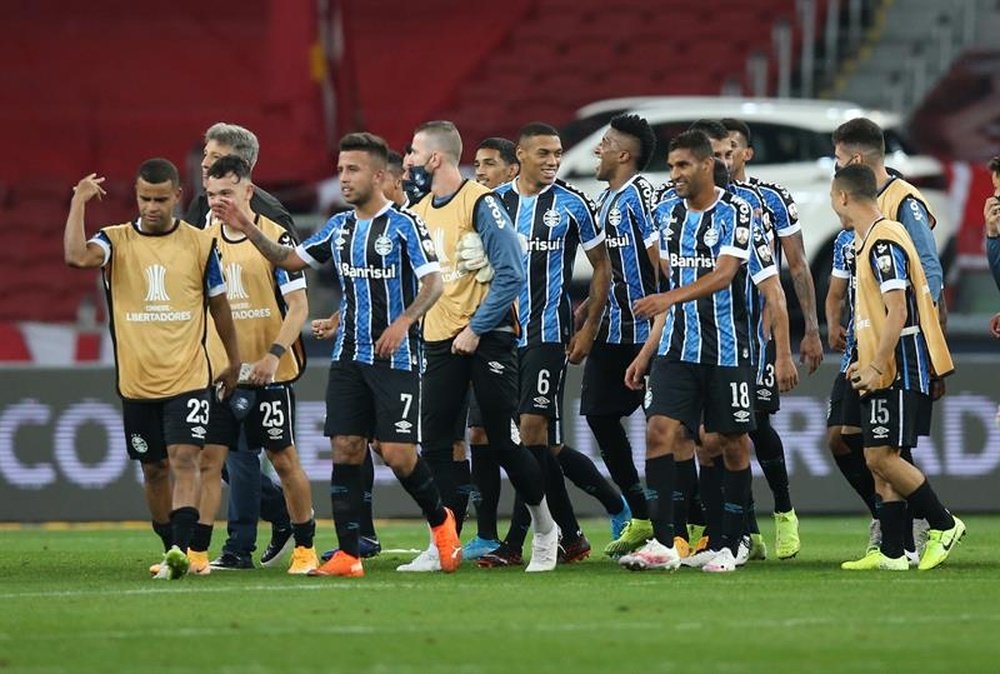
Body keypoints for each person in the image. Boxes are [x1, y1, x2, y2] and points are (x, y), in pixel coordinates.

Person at [220, 131, 462, 578]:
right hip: (349, 358)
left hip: (397, 359)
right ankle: (349, 554)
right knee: (346, 448)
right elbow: (289, 260)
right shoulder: (340, 227)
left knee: (397, 453)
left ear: (378, 175)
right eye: (339, 171)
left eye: (352, 170)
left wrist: (405, 320)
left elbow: (433, 284)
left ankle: (441, 522)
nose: (343, 179)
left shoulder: (406, 226)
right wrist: (249, 225)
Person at [619, 130, 795, 574]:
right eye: (671, 166)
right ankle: (663, 541)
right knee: (660, 431)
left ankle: (729, 543)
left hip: (729, 351)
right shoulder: (665, 215)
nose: (673, 174)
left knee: (728, 442)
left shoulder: (738, 213)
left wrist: (783, 351)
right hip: (678, 347)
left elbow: (723, 274)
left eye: (681, 165)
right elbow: (672, 285)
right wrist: (646, 352)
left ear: (705, 166)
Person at [63, 158, 241, 579]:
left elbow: (221, 309)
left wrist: (232, 361)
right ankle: (170, 548)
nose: (153, 206)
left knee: (185, 458)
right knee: (153, 469)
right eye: (145, 198)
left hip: (188, 377)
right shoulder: (115, 241)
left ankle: (183, 548)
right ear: (136, 196)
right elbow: (75, 257)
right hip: (137, 382)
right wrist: (78, 201)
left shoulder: (200, 244)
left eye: (161, 199)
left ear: (178, 196)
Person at [399, 120, 559, 573]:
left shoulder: (480, 203)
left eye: (413, 151)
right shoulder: (419, 212)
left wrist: (478, 326)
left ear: (435, 158)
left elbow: (511, 273)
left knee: (504, 443)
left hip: (487, 340)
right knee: (433, 445)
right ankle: (443, 541)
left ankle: (546, 531)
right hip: (437, 340)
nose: (407, 160)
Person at [479, 122, 616, 568]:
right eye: (543, 153)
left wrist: (589, 328)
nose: (554, 161)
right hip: (500, 337)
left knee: (532, 432)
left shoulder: (574, 204)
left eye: (558, 153)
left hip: (549, 335)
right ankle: (571, 533)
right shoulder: (494, 204)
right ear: (519, 156)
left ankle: (520, 540)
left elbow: (602, 268)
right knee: (526, 442)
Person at [187, 155, 318, 575]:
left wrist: (273, 356)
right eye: (211, 195)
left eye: (226, 193)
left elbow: (298, 308)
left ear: (248, 191)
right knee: (211, 461)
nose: (218, 202)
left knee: (283, 459)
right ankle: (198, 554)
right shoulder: (201, 240)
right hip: (223, 373)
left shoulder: (274, 237)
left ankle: (305, 548)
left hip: (269, 372)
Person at [830, 164, 964, 571]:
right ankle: (893, 551)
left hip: (900, 363)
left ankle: (942, 524)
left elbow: (897, 308)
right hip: (883, 361)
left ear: (843, 198)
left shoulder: (883, 240)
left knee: (883, 456)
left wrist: (875, 364)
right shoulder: (867, 239)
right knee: (877, 454)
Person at [724, 117, 824, 559]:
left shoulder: (770, 199)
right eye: (716, 151)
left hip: (756, 333)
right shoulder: (686, 201)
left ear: (746, 153)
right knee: (724, 432)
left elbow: (798, 266)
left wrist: (811, 330)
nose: (722, 158)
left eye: (730, 150)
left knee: (757, 425)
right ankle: (747, 530)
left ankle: (784, 512)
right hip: (707, 335)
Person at [575, 114, 660, 558]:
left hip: (650, 332)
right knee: (600, 416)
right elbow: (610, 273)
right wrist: (589, 308)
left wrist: (668, 311)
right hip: (612, 330)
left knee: (668, 429)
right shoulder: (606, 200)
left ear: (624, 155)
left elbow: (663, 263)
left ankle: (691, 524)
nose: (597, 150)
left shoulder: (640, 197)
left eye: (605, 144)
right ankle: (642, 513)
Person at [462, 136, 520, 559]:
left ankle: (554, 528)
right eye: (476, 165)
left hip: (519, 336)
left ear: (511, 169)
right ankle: (486, 533)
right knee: (480, 433)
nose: (479, 172)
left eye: (488, 164)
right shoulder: (473, 210)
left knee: (528, 440)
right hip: (474, 335)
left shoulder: (513, 211)